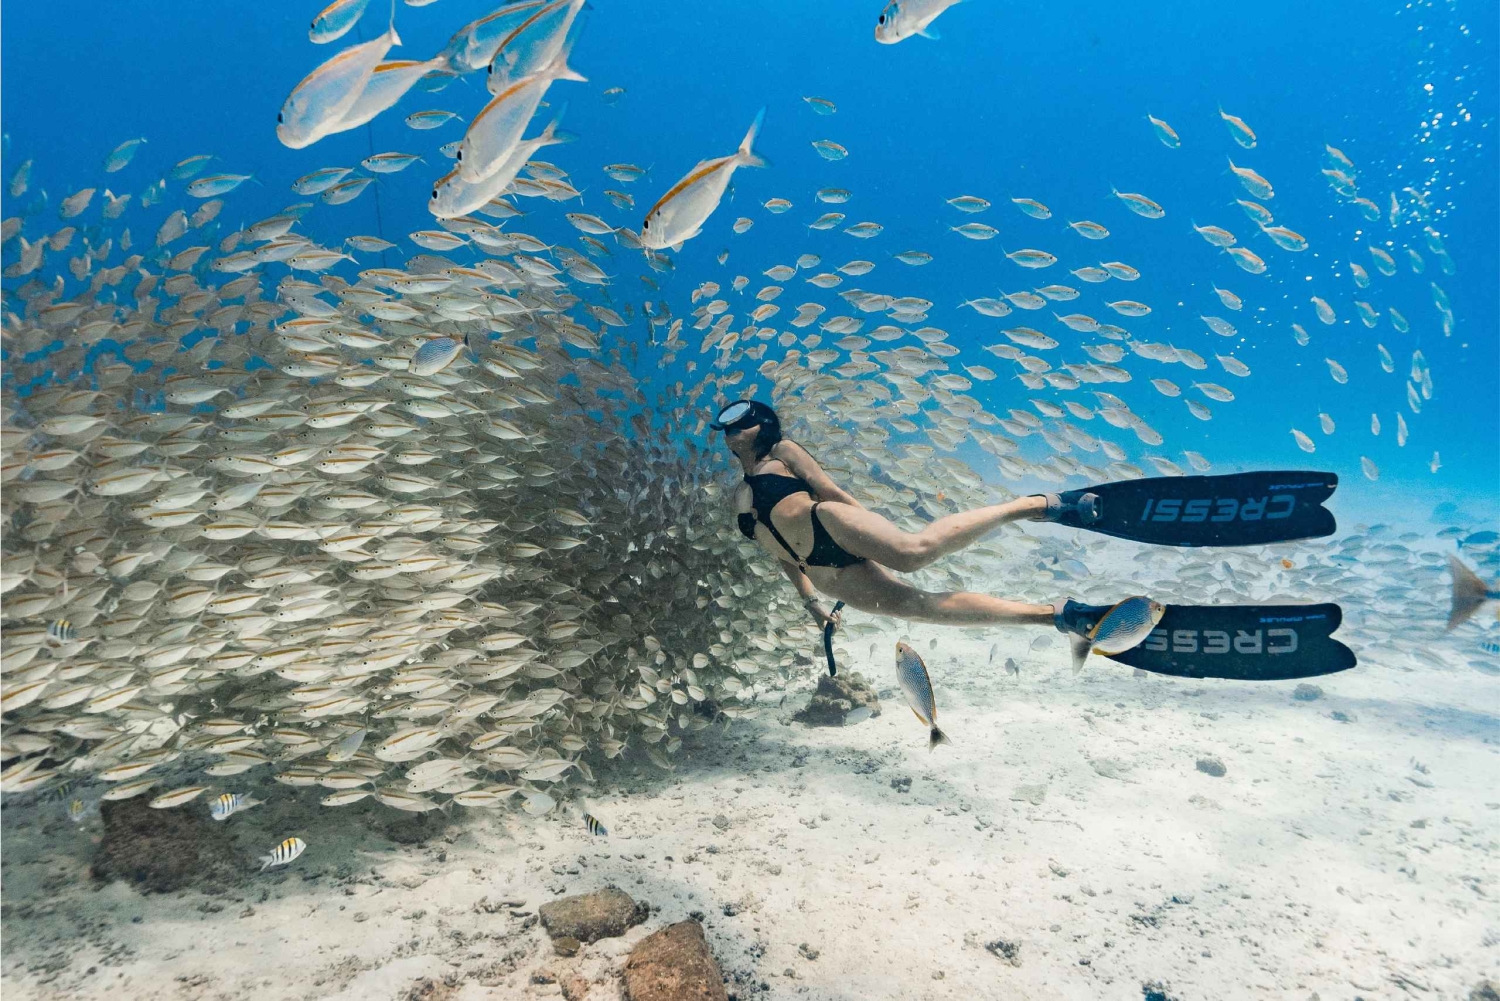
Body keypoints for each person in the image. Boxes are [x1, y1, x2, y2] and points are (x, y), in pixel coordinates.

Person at [712, 399, 1128, 643]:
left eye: (738, 422)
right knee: (920, 608)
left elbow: (831, 490)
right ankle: (1058, 615)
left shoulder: (783, 452)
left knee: (913, 554)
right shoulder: (740, 495)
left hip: (831, 523)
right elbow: (780, 557)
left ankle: (1034, 505)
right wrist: (812, 604)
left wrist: (868, 533)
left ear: (760, 426)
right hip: (822, 572)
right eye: (725, 426)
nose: (729, 430)